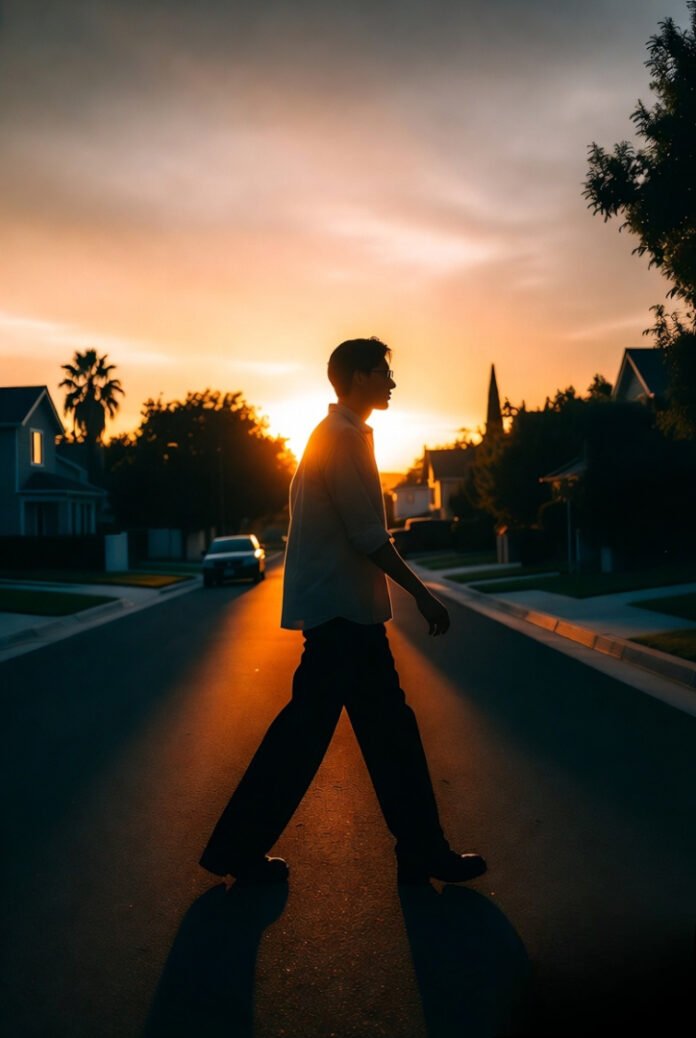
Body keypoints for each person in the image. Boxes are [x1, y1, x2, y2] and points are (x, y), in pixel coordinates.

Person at [199, 337, 487, 885]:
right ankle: (239, 850)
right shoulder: (343, 439)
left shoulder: (333, 435)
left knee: (379, 734)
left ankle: (420, 848)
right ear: (355, 377)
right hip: (343, 622)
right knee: (324, 738)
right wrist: (422, 593)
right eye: (383, 371)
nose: (392, 381)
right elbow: (366, 535)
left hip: (344, 618)